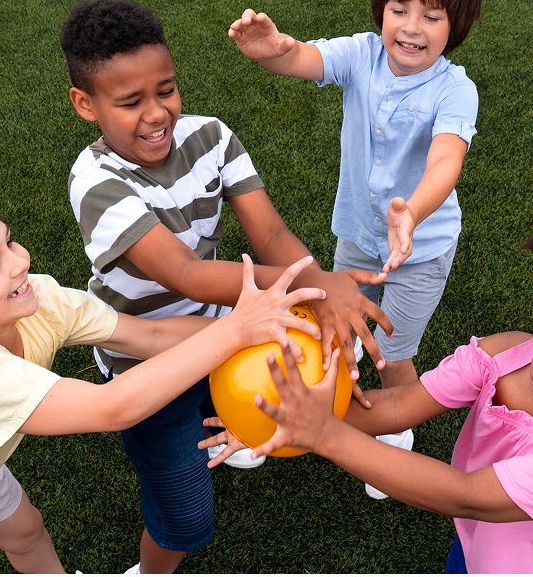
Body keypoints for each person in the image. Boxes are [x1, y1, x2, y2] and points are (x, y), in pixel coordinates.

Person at [60, 0, 393, 573]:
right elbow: (184, 274)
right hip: (145, 361)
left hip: (230, 331)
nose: (157, 113)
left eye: (165, 90)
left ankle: (228, 415)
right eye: (130, 101)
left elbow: (270, 231)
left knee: (262, 405)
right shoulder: (94, 182)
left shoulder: (211, 136)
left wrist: (315, 288)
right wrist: (313, 284)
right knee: (186, 523)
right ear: (85, 105)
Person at [0, 183, 324, 574]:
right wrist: (236, 327)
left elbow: (151, 335)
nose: (19, 261)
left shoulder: (39, 300)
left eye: (9, 242)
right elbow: (113, 407)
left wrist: (264, 330)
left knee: (26, 531)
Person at [228, 0, 483, 496]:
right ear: (381, 12)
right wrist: (271, 47)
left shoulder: (456, 90)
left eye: (431, 15)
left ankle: (394, 435)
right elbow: (302, 57)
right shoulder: (363, 54)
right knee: (335, 329)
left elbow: (446, 158)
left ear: (455, 24)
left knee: (393, 354)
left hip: (422, 248)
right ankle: (308, 412)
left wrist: (411, 211)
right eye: (399, 10)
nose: (411, 27)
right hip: (358, 238)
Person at [227, 234, 533, 574]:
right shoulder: (506, 353)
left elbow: (466, 494)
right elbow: (401, 406)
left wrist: (325, 434)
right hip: (476, 540)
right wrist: (278, 417)